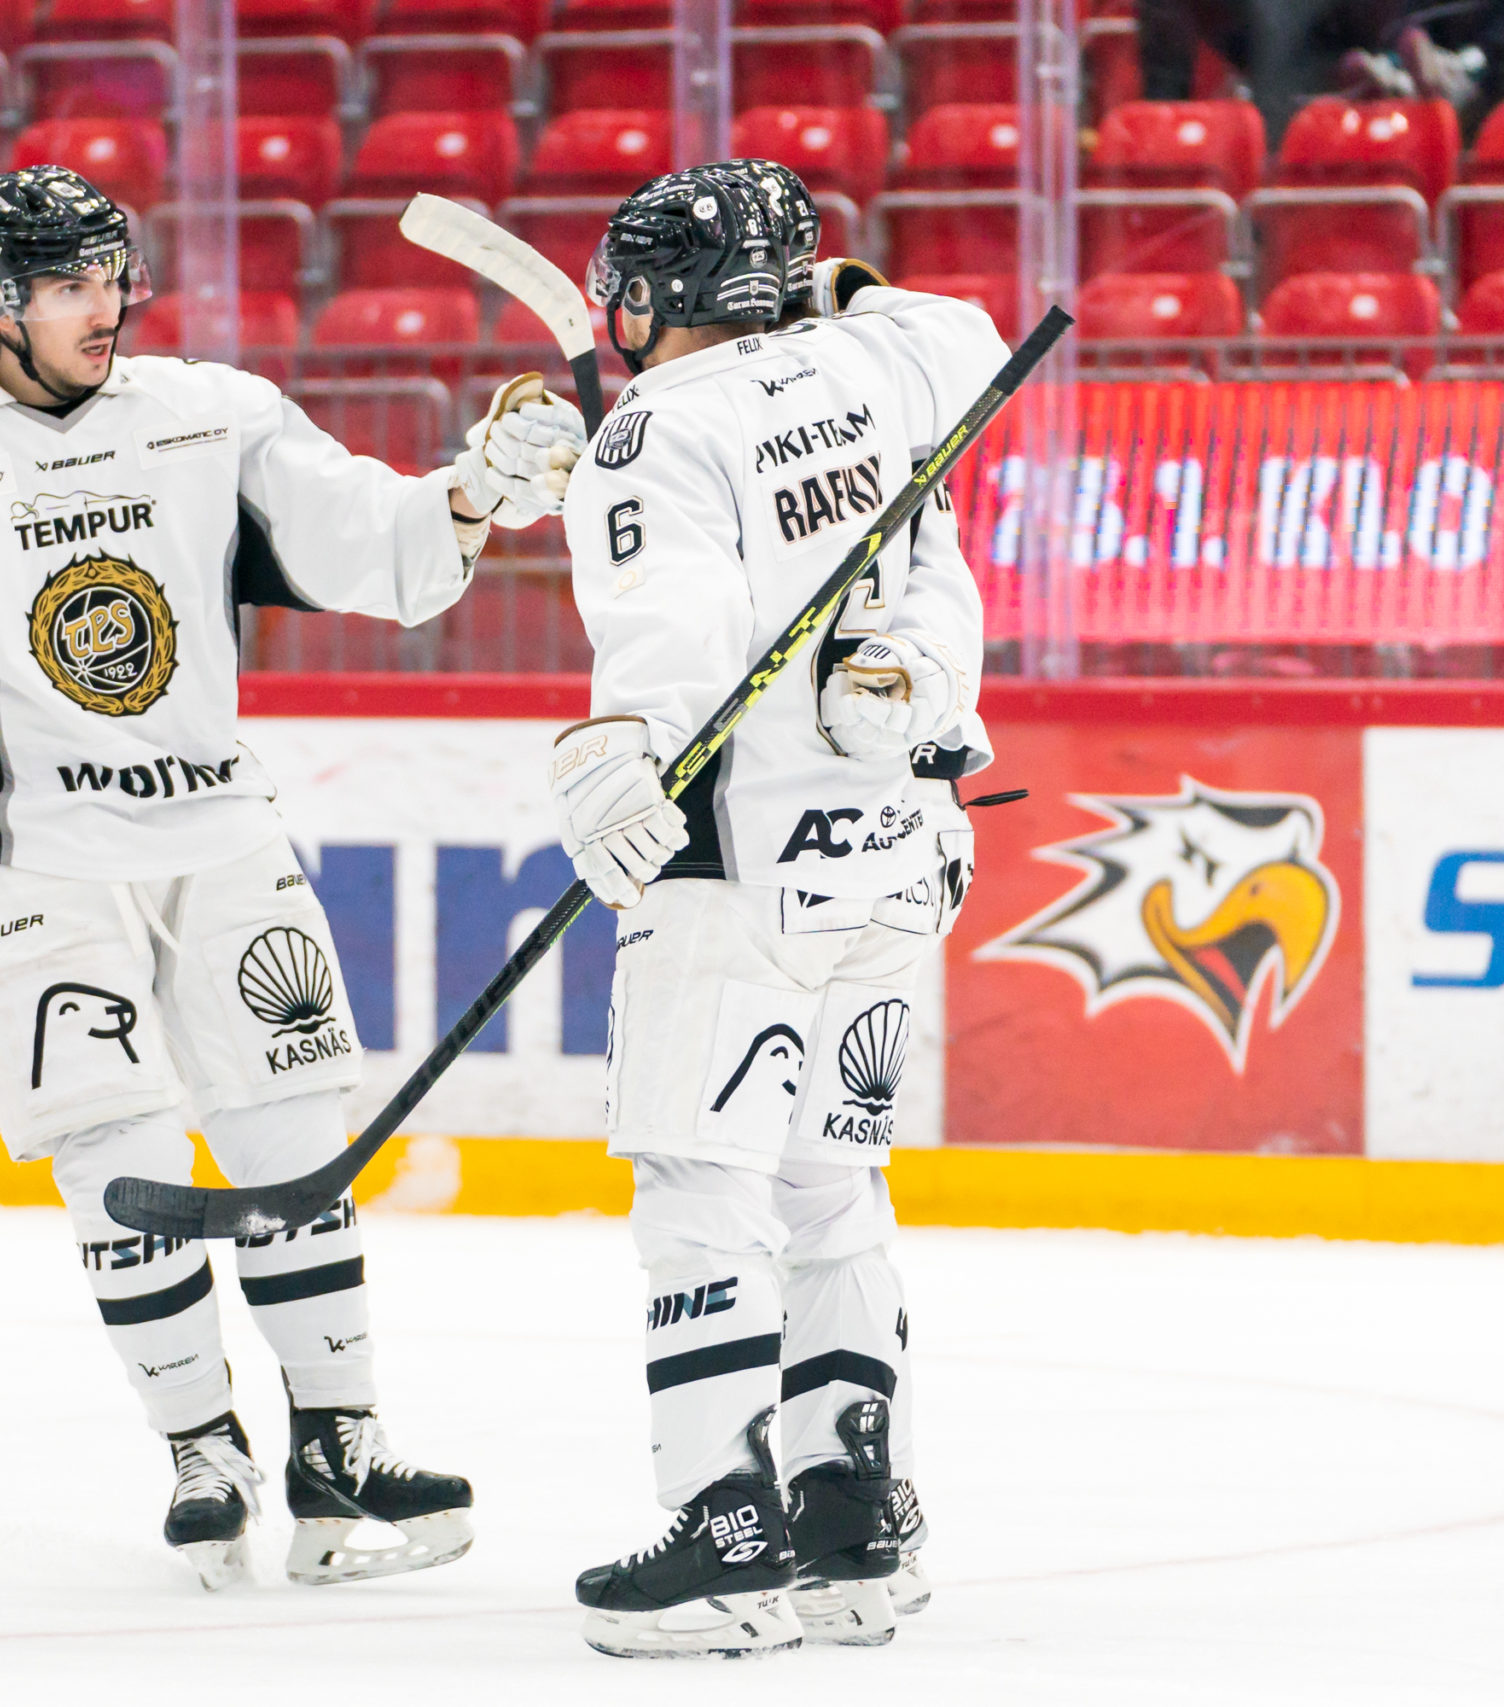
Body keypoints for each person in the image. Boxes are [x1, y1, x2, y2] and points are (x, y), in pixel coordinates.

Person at [0, 164, 583, 1589]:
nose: (105, 309)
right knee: (121, 1166)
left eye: (114, 278)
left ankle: (339, 1441)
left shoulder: (214, 410)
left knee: (294, 1148)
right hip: (29, 860)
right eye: (71, 286)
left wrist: (473, 494)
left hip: (219, 837)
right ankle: (203, 1445)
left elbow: (373, 549)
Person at [542, 162, 1006, 1659]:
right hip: (895, 846)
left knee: (698, 1188)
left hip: (740, 863)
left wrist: (625, 746)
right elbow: (977, 336)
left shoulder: (652, 431)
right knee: (830, 1191)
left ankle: (729, 1543)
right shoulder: (884, 356)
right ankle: (855, 1530)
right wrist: (837, 293)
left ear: (657, 294)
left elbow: (672, 622)